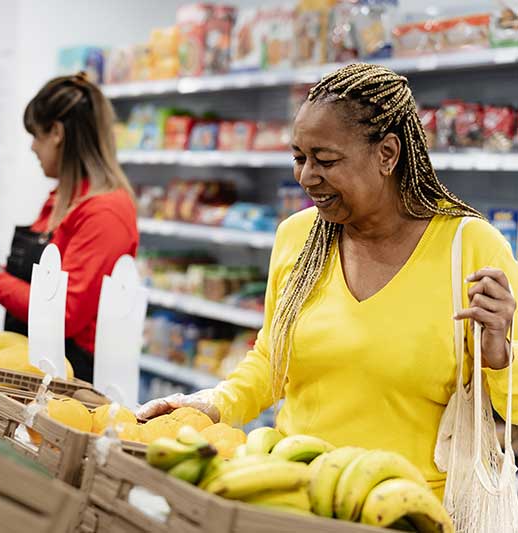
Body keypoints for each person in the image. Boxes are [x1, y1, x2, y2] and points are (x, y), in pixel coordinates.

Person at [138, 63, 518, 497]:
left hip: (409, 506)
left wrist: (499, 356)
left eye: (326, 160)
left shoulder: (469, 247)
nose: (306, 177)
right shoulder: (297, 238)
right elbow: (271, 361)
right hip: (293, 489)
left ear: (388, 154)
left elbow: (512, 413)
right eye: (299, 158)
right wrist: (210, 405)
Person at [0, 73, 138, 382]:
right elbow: (38, 283)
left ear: (56, 132)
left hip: (72, 377)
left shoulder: (105, 211)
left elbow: (62, 314)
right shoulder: (63, 198)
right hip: (35, 364)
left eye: (36, 135)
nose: (32, 147)